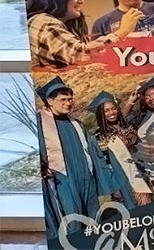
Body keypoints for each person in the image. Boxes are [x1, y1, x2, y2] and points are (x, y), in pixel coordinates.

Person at [36, 77, 116, 241]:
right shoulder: (39, 122)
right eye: (63, 100)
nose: (68, 103)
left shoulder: (77, 123)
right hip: (62, 180)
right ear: (50, 101)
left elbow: (92, 150)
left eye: (70, 99)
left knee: (92, 218)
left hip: (86, 178)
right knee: (72, 220)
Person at [26, 0, 140, 68]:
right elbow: (82, 55)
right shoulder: (43, 23)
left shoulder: (45, 23)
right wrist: (122, 31)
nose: (81, 1)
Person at [89, 91, 154, 208]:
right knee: (137, 215)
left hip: (145, 174)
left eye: (113, 108)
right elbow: (102, 167)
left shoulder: (128, 126)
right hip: (124, 182)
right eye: (106, 111)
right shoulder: (99, 138)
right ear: (101, 115)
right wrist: (114, 189)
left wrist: (131, 101)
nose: (111, 113)